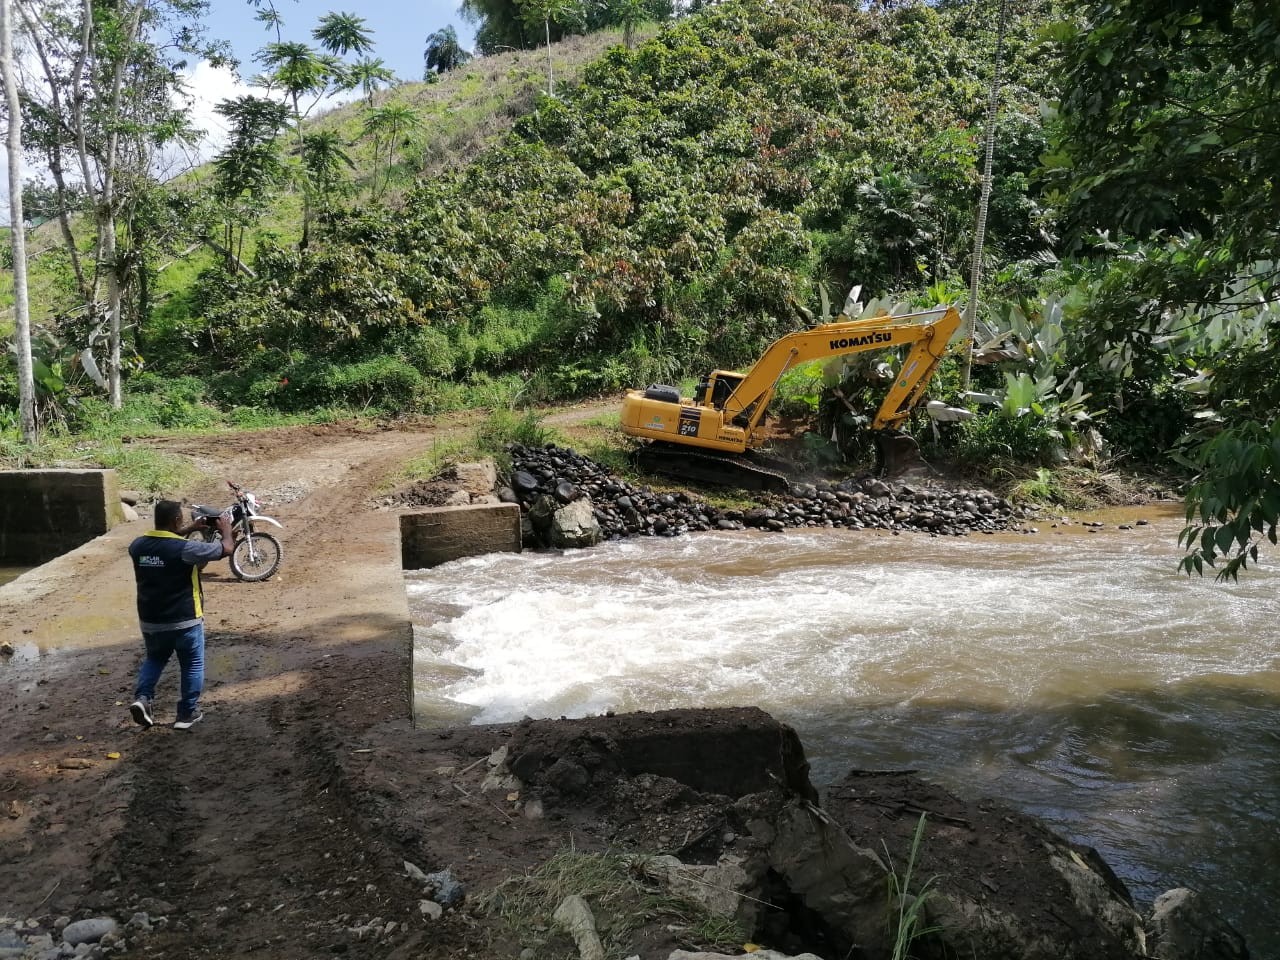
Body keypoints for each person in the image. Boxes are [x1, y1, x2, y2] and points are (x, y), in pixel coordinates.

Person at [128, 500, 233, 730]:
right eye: (181, 520)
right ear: (176, 520)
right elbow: (226, 549)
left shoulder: (137, 546)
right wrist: (226, 529)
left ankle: (143, 698)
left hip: (151, 620)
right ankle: (186, 713)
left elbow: (163, 545)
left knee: (155, 659)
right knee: (192, 664)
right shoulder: (186, 549)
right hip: (184, 619)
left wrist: (189, 529)